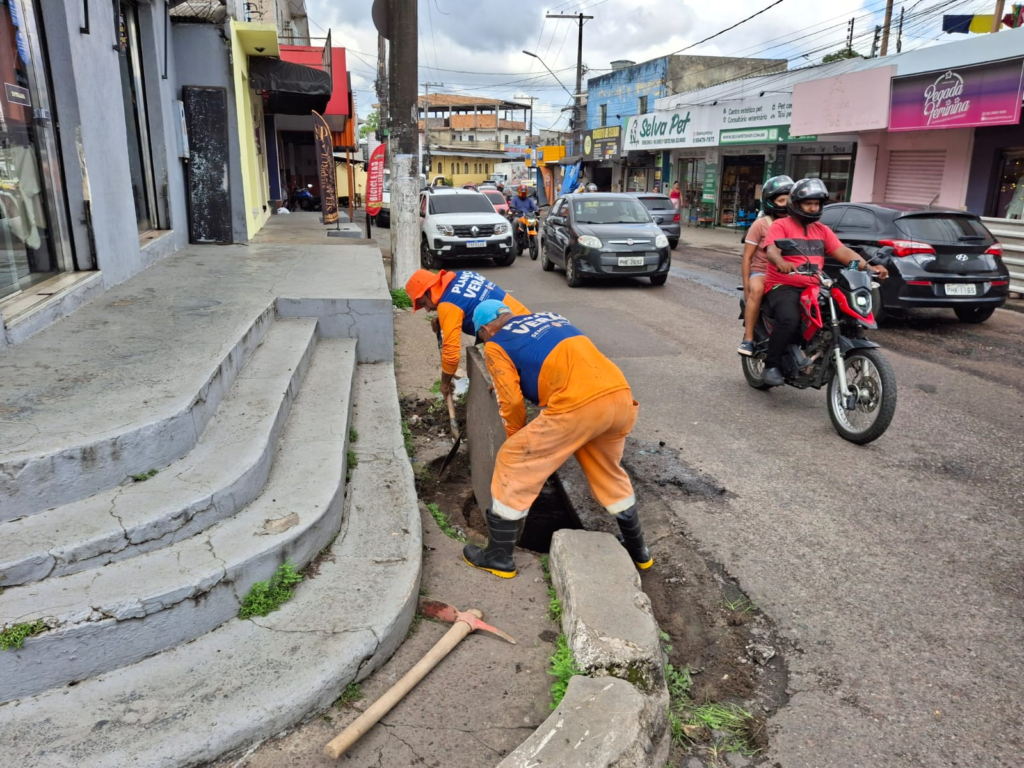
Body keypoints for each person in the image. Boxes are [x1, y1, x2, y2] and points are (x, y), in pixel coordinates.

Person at [464, 300, 652, 579]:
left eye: (482, 336)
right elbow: (553, 364)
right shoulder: (552, 318)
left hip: (578, 406)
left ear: (486, 329)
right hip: (618, 397)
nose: (485, 341)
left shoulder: (496, 345)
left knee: (513, 460)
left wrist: (517, 439)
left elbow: (512, 403)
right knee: (607, 471)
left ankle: (498, 556)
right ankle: (639, 552)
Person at [761, 178, 888, 387]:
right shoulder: (780, 225)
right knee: (790, 319)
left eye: (817, 204)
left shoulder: (821, 230)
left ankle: (820, 351)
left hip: (815, 285)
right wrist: (781, 262)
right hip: (783, 285)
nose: (813, 208)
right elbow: (772, 250)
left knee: (839, 314)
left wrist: (867, 267)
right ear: (795, 204)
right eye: (808, 203)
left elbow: (843, 253)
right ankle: (771, 365)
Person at [404, 270, 531, 399]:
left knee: (511, 390)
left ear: (429, 291)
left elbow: (451, 354)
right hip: (527, 321)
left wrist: (445, 383)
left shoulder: (448, 305)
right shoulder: (461, 275)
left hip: (513, 339)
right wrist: (444, 319)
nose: (427, 309)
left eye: (424, 303)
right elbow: (466, 302)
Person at [738, 175, 793, 357]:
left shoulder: (797, 224)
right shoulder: (760, 225)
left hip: (790, 272)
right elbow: (747, 258)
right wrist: (747, 287)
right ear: (770, 201)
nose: (785, 205)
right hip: (762, 271)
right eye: (781, 200)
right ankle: (748, 338)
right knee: (757, 290)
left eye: (789, 200)